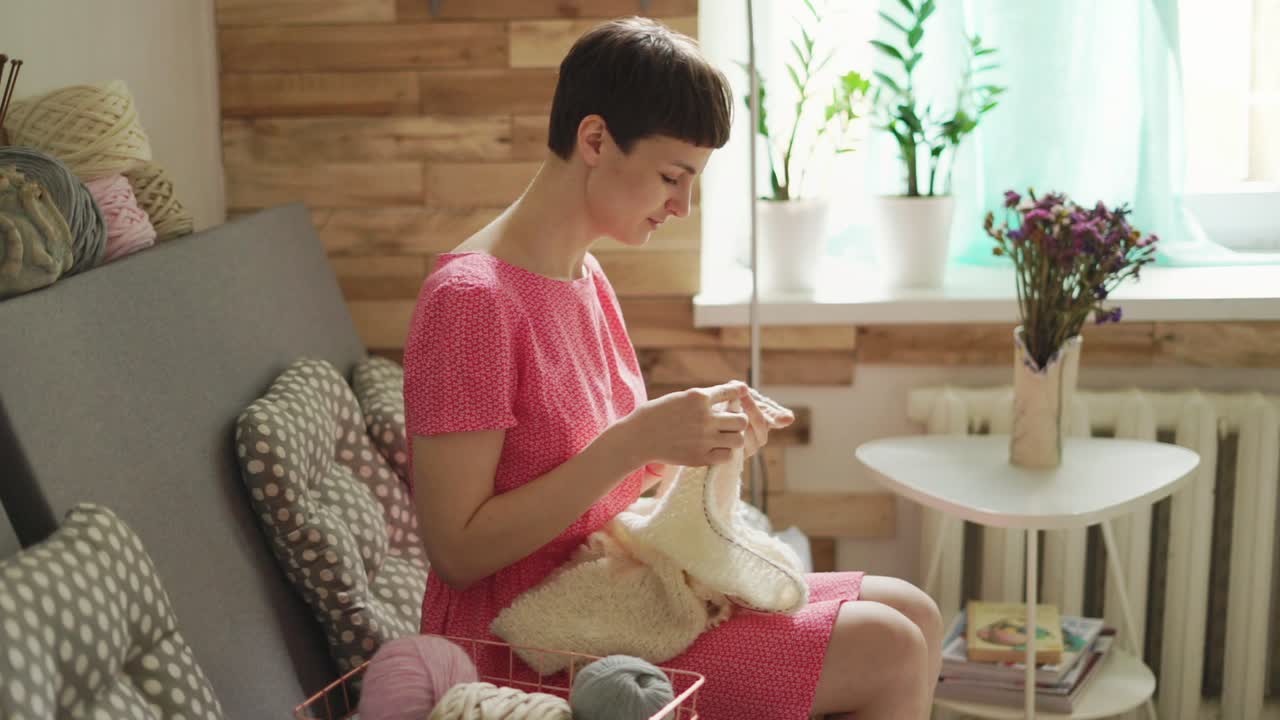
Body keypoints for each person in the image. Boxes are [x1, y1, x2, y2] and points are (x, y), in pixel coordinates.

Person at [403, 16, 942, 720]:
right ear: (595, 140)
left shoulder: (583, 277)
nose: (682, 207)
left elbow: (595, 477)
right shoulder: (470, 300)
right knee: (888, 647)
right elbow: (458, 552)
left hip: (602, 595)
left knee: (914, 610)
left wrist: (691, 434)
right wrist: (635, 442)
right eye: (671, 177)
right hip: (519, 640)